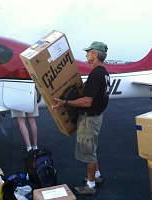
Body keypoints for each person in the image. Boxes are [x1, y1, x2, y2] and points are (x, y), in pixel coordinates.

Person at [52, 41, 110, 196]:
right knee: (92, 148)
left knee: (88, 152)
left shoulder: (95, 74)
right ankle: (96, 176)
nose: (86, 54)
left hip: (89, 120)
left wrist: (65, 102)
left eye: (88, 52)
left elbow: (87, 101)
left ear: (95, 54)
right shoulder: (104, 73)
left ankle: (90, 186)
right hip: (96, 118)